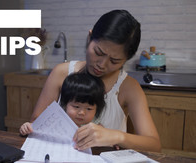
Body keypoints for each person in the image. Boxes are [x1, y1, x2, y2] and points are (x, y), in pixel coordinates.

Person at [27, 9, 161, 152]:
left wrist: (116, 136)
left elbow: (153, 144)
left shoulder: (128, 87)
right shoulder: (61, 73)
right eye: (98, 52)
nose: (101, 65)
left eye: (114, 61)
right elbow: (36, 122)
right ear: (89, 38)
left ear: (126, 60)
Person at [19, 72, 105, 135]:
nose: (82, 112)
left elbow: (105, 139)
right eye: (76, 106)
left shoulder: (95, 126)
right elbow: (36, 128)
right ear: (65, 103)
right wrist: (27, 127)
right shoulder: (55, 119)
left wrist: (110, 142)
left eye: (89, 108)